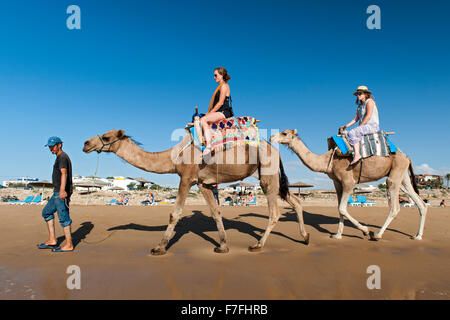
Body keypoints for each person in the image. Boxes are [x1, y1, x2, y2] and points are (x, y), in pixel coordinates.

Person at [37, 137, 74, 253]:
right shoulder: (59, 157)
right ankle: (52, 240)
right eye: (49, 146)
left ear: (59, 145)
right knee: (46, 212)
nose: (50, 149)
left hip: (60, 192)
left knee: (64, 218)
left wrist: (63, 190)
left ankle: (69, 244)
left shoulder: (62, 157)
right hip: (57, 192)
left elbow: (64, 173)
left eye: (52, 146)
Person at [340, 86, 380, 165]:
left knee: (352, 132)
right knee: (347, 133)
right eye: (357, 94)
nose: (358, 95)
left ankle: (357, 155)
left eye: (360, 94)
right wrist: (345, 126)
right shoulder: (360, 107)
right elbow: (355, 119)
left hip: (372, 126)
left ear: (365, 94)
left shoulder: (370, 102)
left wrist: (359, 126)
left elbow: (368, 116)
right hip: (364, 126)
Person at [200, 67, 234, 156]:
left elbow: (220, 103)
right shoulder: (220, 86)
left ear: (221, 75)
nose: (214, 77)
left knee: (203, 120)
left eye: (216, 75)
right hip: (219, 112)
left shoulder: (224, 86)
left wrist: (210, 113)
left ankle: (208, 146)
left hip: (223, 112)